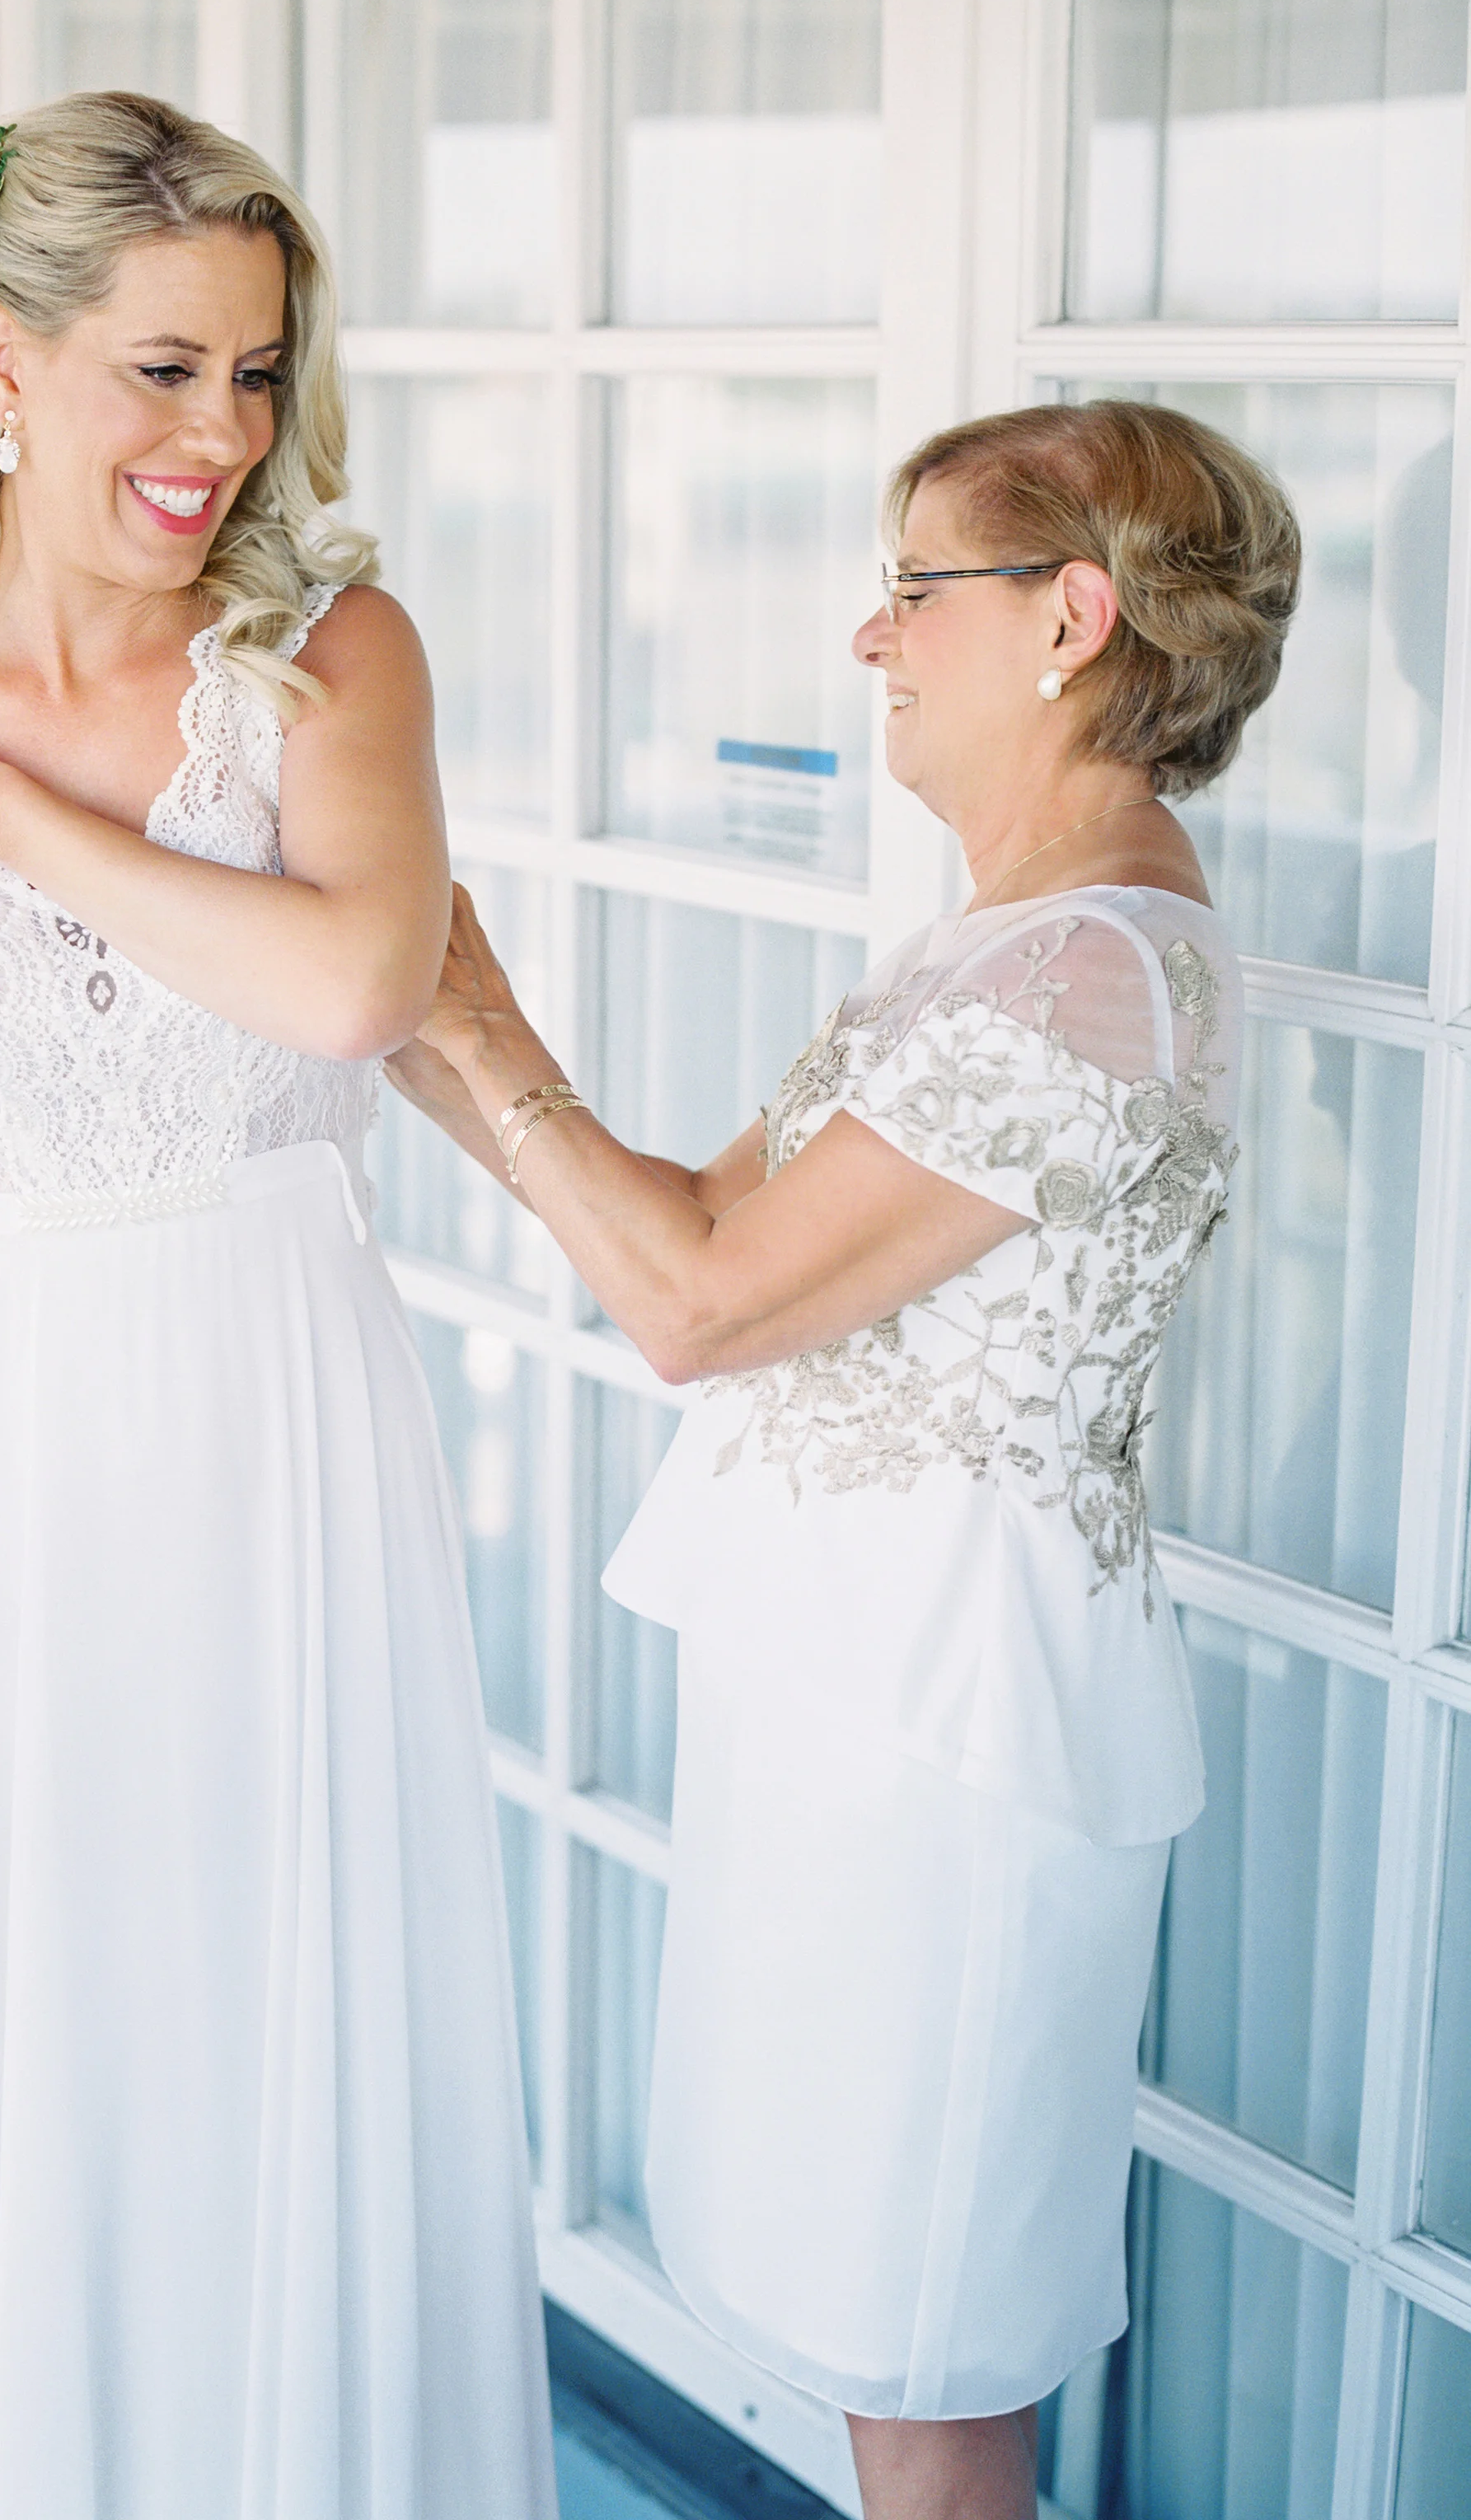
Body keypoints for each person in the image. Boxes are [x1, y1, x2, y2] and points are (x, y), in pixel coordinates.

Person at [0, 91, 556, 2520]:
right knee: (9, 2055)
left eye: (257, 375)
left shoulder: (324, 652)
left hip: (279, 1435)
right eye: (162, 371)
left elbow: (359, 980)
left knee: (269, 2036)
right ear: (0, 355)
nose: (221, 438)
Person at [387, 400, 1300, 2520]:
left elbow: (696, 1303)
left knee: (928, 2354)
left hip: (950, 1744)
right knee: (875, 2317)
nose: (867, 638)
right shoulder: (1000, 946)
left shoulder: (1085, 972)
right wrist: (420, 1014)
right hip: (854, 1697)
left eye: (914, 588)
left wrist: (490, 1032)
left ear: (1067, 619)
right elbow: (681, 1240)